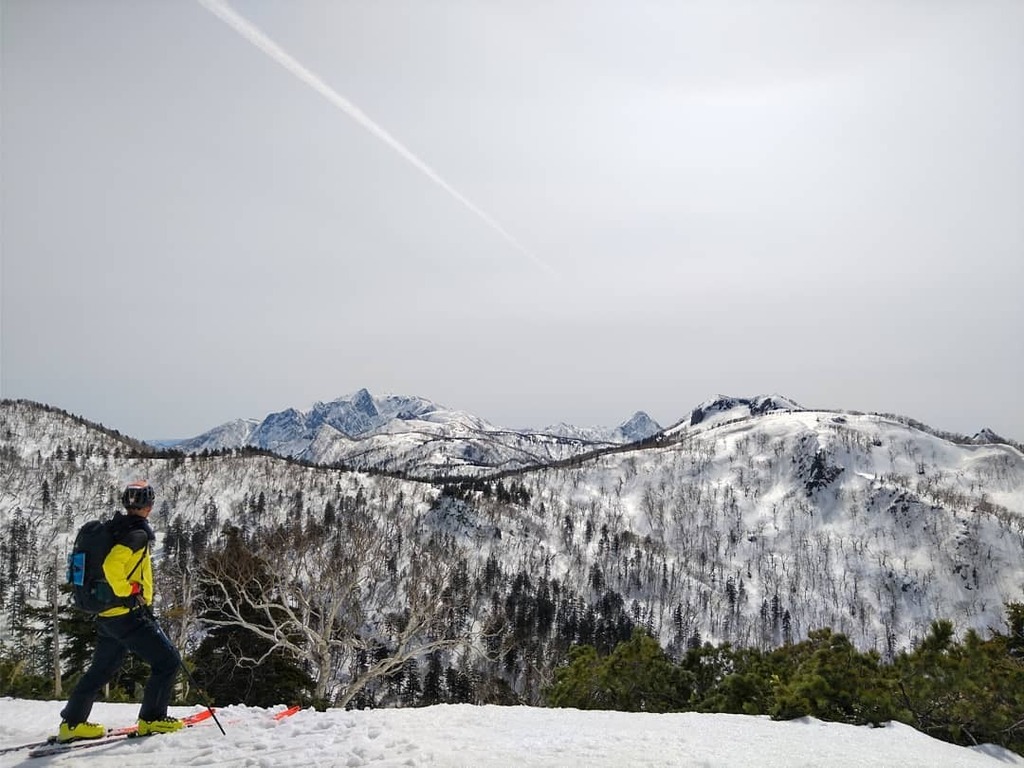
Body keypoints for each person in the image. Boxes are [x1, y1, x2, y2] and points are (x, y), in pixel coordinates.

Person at [58, 481, 184, 742]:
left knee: (101, 670)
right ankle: (152, 719)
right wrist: (129, 591)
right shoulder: (136, 534)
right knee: (168, 662)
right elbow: (113, 565)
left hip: (108, 616)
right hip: (127, 614)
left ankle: (72, 724)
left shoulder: (118, 528)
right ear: (148, 506)